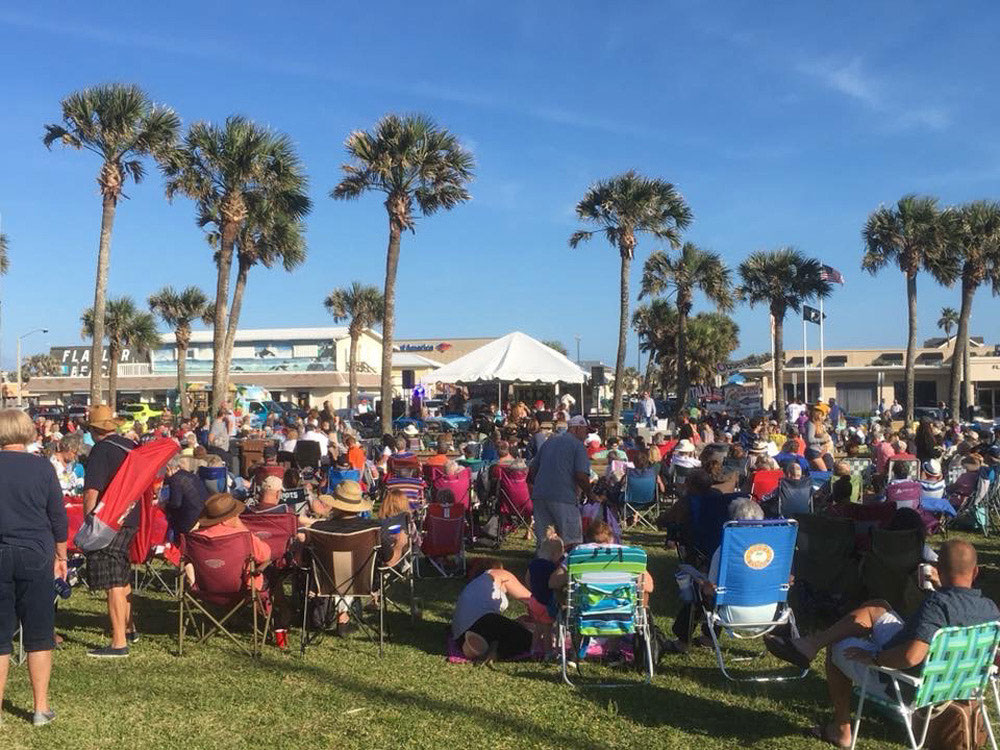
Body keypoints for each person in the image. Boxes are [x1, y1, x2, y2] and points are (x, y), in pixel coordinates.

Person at [765, 540, 999, 748]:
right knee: (878, 607)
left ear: (938, 569)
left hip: (908, 683)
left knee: (837, 648)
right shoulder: (990, 609)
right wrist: (941, 588)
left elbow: (910, 657)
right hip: (954, 682)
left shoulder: (937, 607)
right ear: (976, 571)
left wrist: (875, 659)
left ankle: (841, 730)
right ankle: (809, 644)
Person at [0, 409, 67, 726]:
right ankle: (41, 707)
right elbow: (57, 516)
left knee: (0, 636)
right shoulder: (43, 468)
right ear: (27, 432)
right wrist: (62, 556)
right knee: (39, 632)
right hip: (37, 552)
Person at [82, 405, 139, 658]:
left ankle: (118, 643)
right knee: (122, 573)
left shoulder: (101, 451)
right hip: (132, 515)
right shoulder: (130, 447)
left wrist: (89, 521)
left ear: (94, 430)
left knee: (112, 579)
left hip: (109, 519)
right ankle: (128, 629)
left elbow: (92, 490)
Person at [451, 559, 546, 662]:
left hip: (460, 635)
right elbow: (532, 601)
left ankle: (483, 645)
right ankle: (493, 648)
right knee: (531, 639)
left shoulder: (476, 585)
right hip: (484, 622)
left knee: (505, 627)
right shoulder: (499, 574)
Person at [528, 415, 594, 548]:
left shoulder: (549, 442)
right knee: (572, 540)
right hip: (564, 497)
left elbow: (532, 471)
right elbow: (581, 476)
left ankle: (543, 566)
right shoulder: (578, 446)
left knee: (544, 541)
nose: (587, 435)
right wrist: (590, 493)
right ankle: (568, 566)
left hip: (540, 495)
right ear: (575, 429)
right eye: (585, 431)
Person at [161, 455, 209, 538]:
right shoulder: (188, 474)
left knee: (166, 519)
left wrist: (164, 505)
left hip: (190, 520)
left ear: (168, 468)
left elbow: (176, 503)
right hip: (202, 513)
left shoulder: (175, 479)